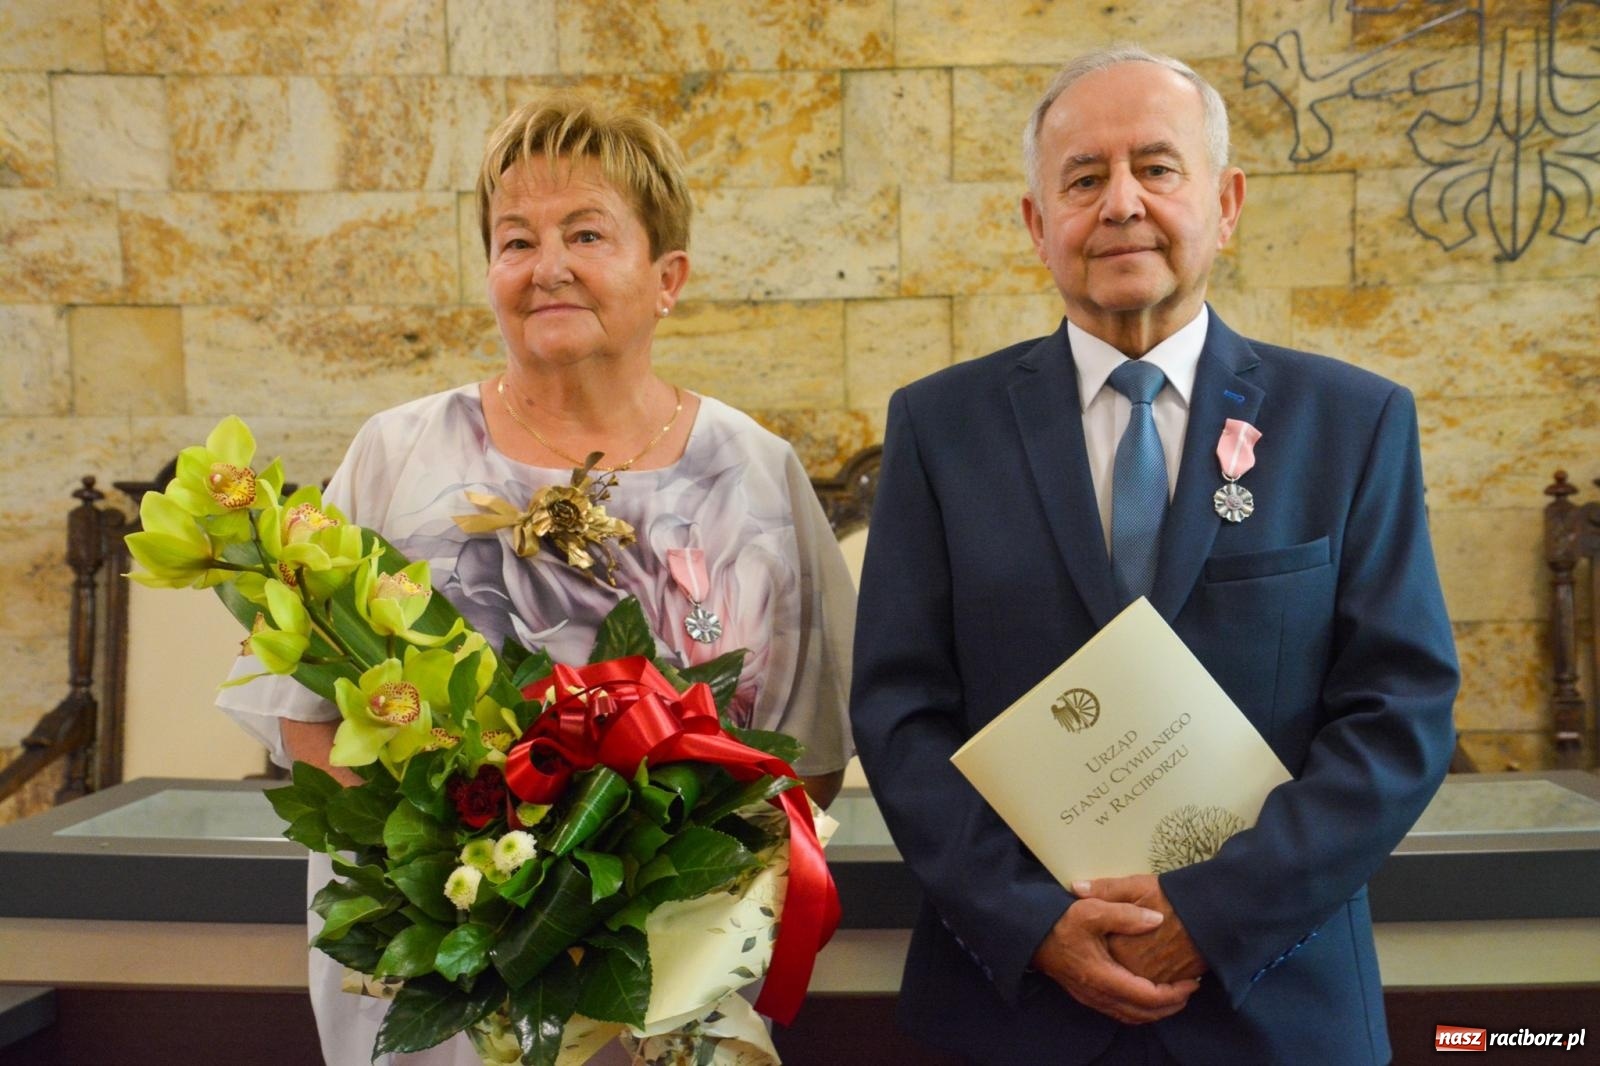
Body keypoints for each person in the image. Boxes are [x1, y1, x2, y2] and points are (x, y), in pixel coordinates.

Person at [217, 93, 855, 1065]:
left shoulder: (755, 474)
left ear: (668, 277)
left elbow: (804, 751)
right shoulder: (397, 454)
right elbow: (305, 712)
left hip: (668, 984)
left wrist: (652, 898)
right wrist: (462, 880)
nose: (547, 265)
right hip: (447, 974)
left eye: (586, 234)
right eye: (516, 240)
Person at [849, 47, 1458, 1065]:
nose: (1122, 203)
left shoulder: (1351, 424)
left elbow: (1401, 713)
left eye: (1158, 168)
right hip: (1013, 1013)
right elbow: (898, 711)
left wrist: (1211, 913)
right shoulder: (939, 429)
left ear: (1226, 203)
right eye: (1084, 178)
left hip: (1273, 1010)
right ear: (1037, 223)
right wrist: (1033, 922)